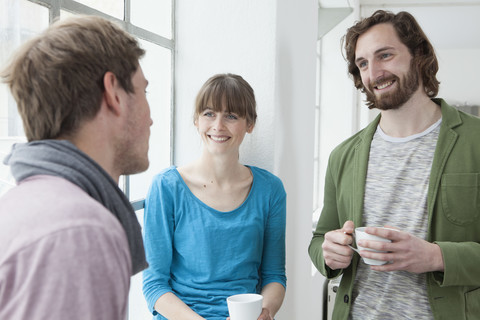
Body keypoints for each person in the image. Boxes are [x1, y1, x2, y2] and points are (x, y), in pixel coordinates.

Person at [308, 10, 480, 320]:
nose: (374, 73)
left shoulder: (475, 141)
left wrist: (437, 256)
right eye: (363, 64)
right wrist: (328, 253)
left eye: (385, 55)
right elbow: (320, 240)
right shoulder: (342, 156)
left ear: (419, 55)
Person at [0, 15, 152, 319]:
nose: (150, 118)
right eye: (144, 91)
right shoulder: (81, 232)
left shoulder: (23, 205)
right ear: (114, 93)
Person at [142, 73, 287, 320]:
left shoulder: (270, 190)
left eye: (231, 116)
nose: (218, 126)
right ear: (196, 121)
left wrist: (265, 312)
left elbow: (274, 276)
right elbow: (154, 285)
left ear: (250, 124)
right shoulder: (166, 187)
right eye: (209, 113)